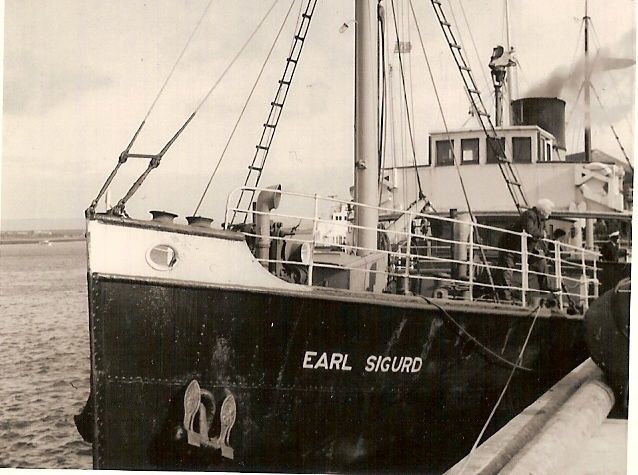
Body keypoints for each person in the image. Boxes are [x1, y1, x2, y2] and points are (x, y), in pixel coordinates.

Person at [496, 199, 554, 301]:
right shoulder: (529, 215)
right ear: (542, 211)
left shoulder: (541, 220)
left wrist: (547, 252)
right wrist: (542, 234)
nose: (551, 213)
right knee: (507, 270)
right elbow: (530, 230)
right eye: (549, 210)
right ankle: (505, 297)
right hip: (510, 247)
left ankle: (545, 288)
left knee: (541, 261)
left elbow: (540, 239)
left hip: (526, 248)